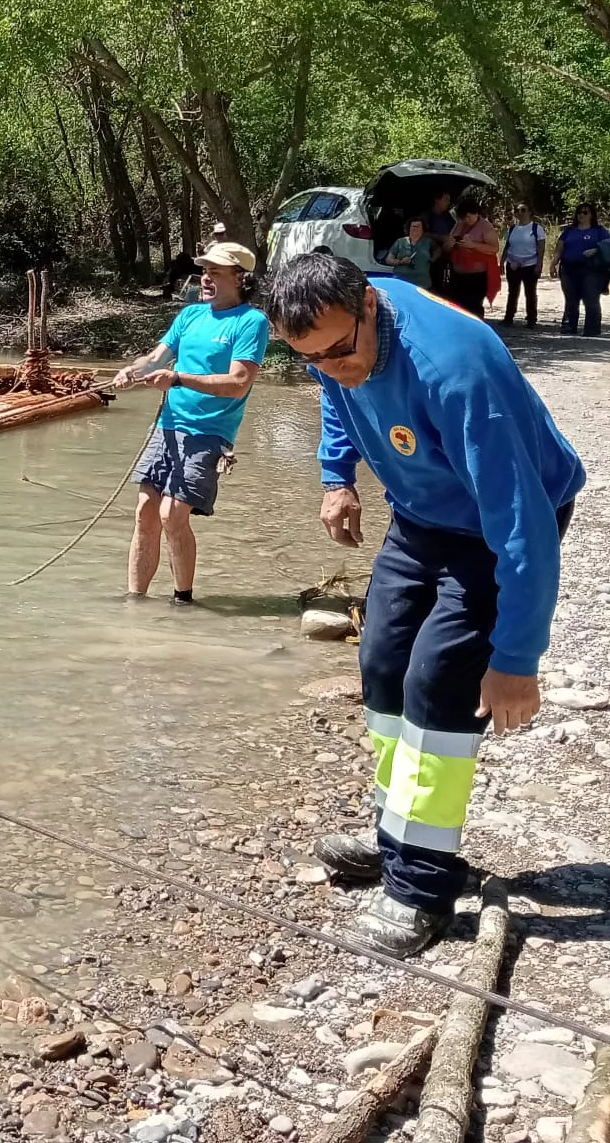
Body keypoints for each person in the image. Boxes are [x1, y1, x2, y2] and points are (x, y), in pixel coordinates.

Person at [264, 253, 584, 956]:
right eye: (311, 356)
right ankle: (394, 832)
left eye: (343, 350)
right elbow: (335, 390)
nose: (334, 366)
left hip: (498, 525)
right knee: (381, 667)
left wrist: (516, 658)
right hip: (420, 516)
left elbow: (524, 527)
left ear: (370, 307)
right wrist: (335, 477)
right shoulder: (334, 333)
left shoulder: (457, 373)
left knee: (438, 686)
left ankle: (421, 890)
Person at [110, 242, 269, 605]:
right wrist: (131, 372)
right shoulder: (189, 316)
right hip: (167, 426)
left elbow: (239, 382)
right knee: (145, 511)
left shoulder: (251, 322)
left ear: (240, 278)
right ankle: (136, 602)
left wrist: (178, 378)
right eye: (204, 271)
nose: (205, 278)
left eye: (215, 272)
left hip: (209, 432)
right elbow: (154, 359)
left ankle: (183, 600)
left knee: (172, 514)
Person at [557, 201, 607, 337]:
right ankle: (568, 326)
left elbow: (607, 246)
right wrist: (553, 262)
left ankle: (592, 330)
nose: (581, 215)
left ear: (592, 215)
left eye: (585, 212)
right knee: (571, 299)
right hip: (569, 267)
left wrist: (595, 250)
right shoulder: (569, 231)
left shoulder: (599, 231)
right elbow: (560, 247)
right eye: (579, 212)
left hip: (592, 269)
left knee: (590, 299)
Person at [446, 201, 500, 316]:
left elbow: (494, 248)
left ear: (476, 214)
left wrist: (473, 245)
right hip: (457, 273)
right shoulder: (459, 224)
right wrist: (450, 244)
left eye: (469, 217)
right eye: (464, 217)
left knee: (473, 307)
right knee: (456, 305)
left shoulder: (485, 226)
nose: (467, 220)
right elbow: (448, 244)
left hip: (476, 276)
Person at [501, 203, 546, 327]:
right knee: (512, 292)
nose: (519, 212)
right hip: (512, 264)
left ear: (530, 212)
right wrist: (501, 262)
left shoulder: (537, 228)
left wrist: (539, 265)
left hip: (530, 264)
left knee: (530, 292)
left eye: (523, 210)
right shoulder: (512, 228)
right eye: (517, 210)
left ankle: (531, 319)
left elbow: (541, 249)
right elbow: (507, 246)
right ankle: (508, 317)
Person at [383, 218, 432, 288]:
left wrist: (432, 259)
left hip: (422, 284)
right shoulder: (400, 242)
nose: (415, 229)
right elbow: (388, 260)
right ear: (408, 228)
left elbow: (438, 250)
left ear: (423, 229)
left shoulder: (428, 242)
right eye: (413, 226)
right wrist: (400, 261)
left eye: (418, 227)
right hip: (401, 282)